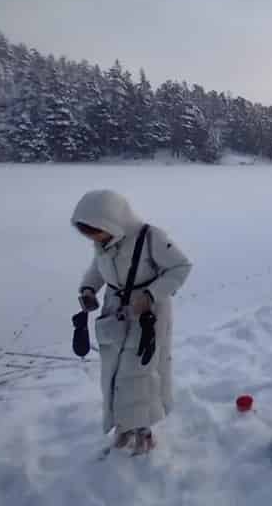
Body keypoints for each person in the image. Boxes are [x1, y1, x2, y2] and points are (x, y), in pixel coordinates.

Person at [72, 190, 192, 454]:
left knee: (139, 371)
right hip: (115, 311)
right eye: (88, 234)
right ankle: (124, 425)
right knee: (114, 371)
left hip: (148, 313)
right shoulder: (105, 242)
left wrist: (150, 295)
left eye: (95, 232)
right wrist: (89, 289)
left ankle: (144, 430)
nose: (93, 239)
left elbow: (181, 267)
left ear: (110, 221)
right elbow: (98, 269)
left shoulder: (151, 238)